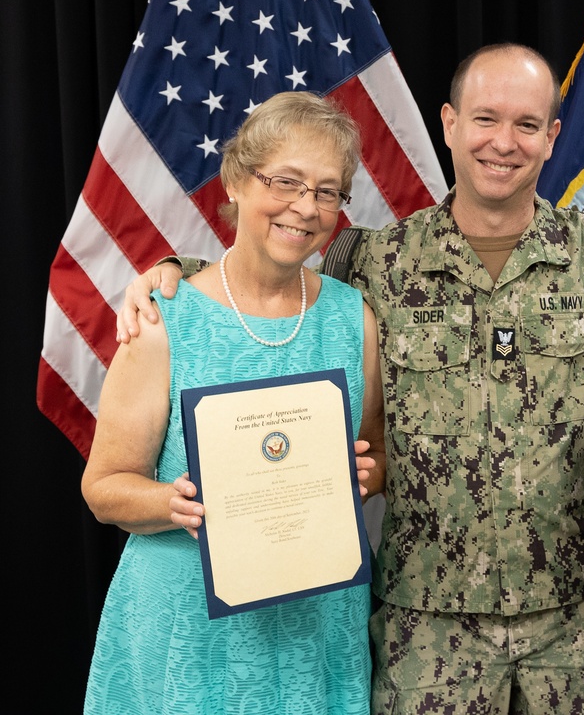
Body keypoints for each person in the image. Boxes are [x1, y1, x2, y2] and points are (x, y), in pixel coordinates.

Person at [118, 45, 584, 715]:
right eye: (484, 120)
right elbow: (271, 271)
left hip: (578, 620)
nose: (503, 143)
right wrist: (172, 273)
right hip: (428, 623)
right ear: (449, 125)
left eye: (527, 125)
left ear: (552, 138)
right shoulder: (374, 262)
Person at [81, 91, 385, 714]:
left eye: (328, 192)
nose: (306, 207)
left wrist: (365, 474)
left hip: (316, 625)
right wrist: (180, 501)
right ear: (237, 180)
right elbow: (104, 487)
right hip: (188, 628)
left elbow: (377, 459)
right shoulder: (164, 318)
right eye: (287, 182)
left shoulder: (355, 320)